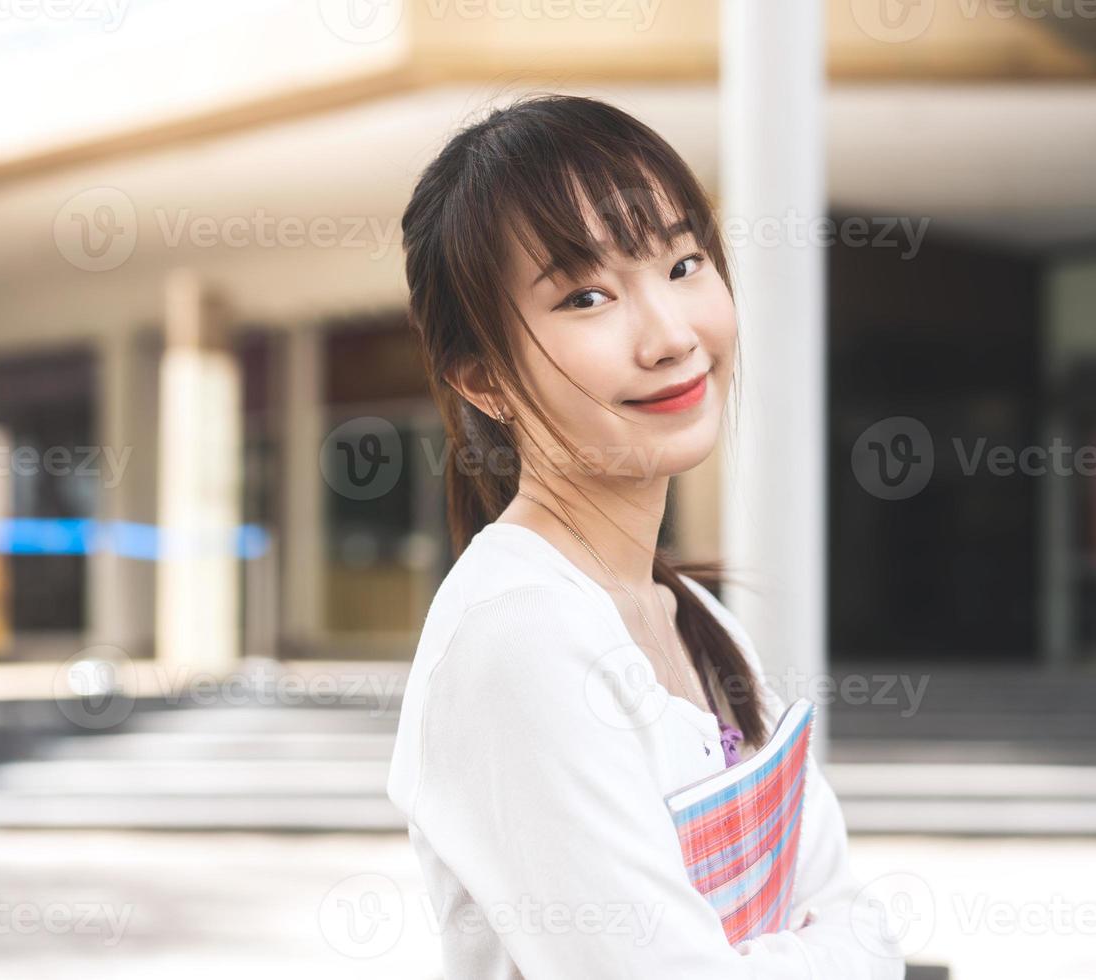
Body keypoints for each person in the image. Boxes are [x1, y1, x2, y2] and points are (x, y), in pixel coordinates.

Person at [386, 92, 906, 978]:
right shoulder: (518, 640)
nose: (670, 336)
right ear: (483, 382)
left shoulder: (694, 617)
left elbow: (866, 925)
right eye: (586, 295)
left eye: (684, 262)